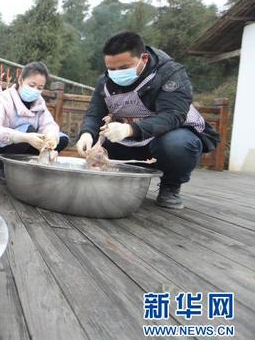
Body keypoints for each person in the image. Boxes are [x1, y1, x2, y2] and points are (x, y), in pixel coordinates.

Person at [76, 31, 220, 209]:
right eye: (111, 69)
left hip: (161, 141)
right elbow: (94, 114)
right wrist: (86, 134)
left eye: (123, 68)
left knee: (177, 144)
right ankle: (114, 180)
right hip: (128, 143)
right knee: (99, 146)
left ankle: (170, 186)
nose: (116, 73)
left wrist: (129, 129)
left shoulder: (170, 74)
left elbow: (172, 115)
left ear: (143, 58)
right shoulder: (104, 82)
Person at [0, 61, 69, 179]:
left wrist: (51, 137)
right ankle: (2, 167)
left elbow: (49, 124)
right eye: (32, 85)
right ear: (21, 80)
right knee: (28, 130)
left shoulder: (39, 103)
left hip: (26, 149)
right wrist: (24, 137)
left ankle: (34, 166)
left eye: (40, 88)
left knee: (61, 139)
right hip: (0, 150)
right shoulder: (3, 99)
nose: (35, 90)